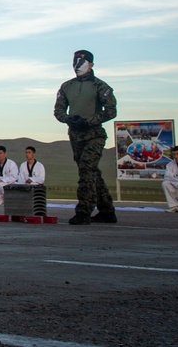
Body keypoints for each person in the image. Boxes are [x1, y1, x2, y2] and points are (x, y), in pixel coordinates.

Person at [53, 49, 117, 225]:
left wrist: (90, 121)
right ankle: (107, 211)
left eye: (81, 63)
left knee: (86, 170)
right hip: (75, 135)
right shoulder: (67, 87)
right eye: (74, 62)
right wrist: (69, 119)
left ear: (91, 65)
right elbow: (58, 110)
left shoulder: (100, 86)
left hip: (94, 135)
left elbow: (111, 111)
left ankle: (83, 211)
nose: (77, 66)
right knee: (92, 172)